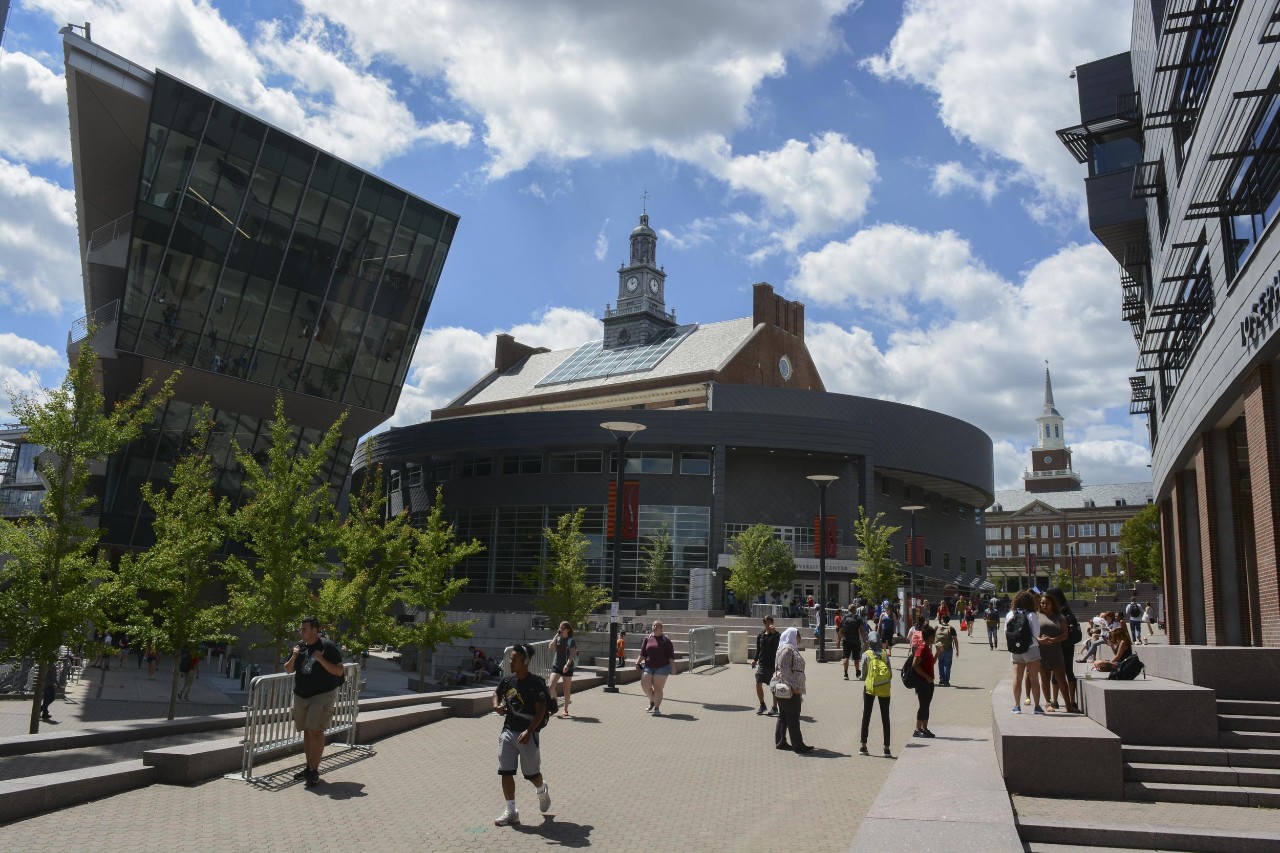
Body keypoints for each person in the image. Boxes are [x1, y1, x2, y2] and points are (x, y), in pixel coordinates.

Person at [492, 643, 552, 827]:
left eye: (514, 659)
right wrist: (496, 705)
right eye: (511, 658)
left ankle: (541, 790)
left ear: (525, 662)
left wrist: (529, 731)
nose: (511, 662)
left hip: (529, 734)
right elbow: (496, 693)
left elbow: (541, 710)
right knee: (506, 772)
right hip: (509, 731)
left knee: (531, 774)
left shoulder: (536, 683)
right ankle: (511, 811)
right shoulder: (508, 680)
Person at [283, 617, 345, 787]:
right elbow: (288, 669)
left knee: (316, 731)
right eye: (300, 629)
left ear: (314, 630)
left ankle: (314, 771)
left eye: (304, 629)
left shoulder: (327, 647)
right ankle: (309, 767)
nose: (300, 632)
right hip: (301, 694)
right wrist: (294, 656)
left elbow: (339, 671)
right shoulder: (298, 646)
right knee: (307, 731)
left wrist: (321, 659)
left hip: (323, 694)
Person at [772, 627, 813, 753]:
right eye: (798, 635)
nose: (800, 638)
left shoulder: (788, 648)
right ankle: (798, 745)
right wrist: (793, 686)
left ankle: (781, 742)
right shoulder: (787, 649)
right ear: (793, 636)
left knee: (784, 715)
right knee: (793, 716)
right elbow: (783, 669)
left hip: (789, 688)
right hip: (789, 689)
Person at [1036, 593, 1074, 714]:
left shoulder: (1059, 616)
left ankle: (1068, 704)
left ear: (1052, 604)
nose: (1044, 605)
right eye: (1042, 603)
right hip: (1041, 651)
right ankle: (1048, 703)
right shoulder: (1036, 616)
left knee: (1061, 678)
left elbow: (1065, 634)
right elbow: (1032, 633)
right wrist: (1039, 639)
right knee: (1044, 678)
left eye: (1047, 603)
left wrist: (1054, 640)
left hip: (1056, 650)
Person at [1007, 590, 1043, 714]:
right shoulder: (1031, 614)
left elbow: (1007, 631)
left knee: (1017, 677)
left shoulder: (1010, 614)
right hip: (1031, 647)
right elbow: (1036, 633)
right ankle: (1037, 707)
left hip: (1016, 649)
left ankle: (1017, 706)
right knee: (1034, 678)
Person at [858, 631, 892, 757]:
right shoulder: (884, 654)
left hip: (869, 688)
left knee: (866, 716)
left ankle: (863, 746)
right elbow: (890, 674)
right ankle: (886, 748)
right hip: (884, 688)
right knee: (885, 717)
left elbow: (862, 676)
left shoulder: (866, 654)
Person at [636, 620, 677, 715]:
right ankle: (652, 701)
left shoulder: (666, 640)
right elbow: (642, 653)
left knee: (658, 688)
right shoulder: (647, 638)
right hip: (648, 666)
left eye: (656, 626)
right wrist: (637, 663)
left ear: (661, 628)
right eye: (653, 625)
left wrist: (673, 667)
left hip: (662, 667)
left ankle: (656, 708)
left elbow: (671, 655)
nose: (654, 627)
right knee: (645, 685)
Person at [750, 615, 781, 715]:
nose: (768, 624)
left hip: (773, 665)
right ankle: (762, 705)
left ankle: (775, 707)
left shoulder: (776, 635)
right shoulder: (761, 635)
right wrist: (755, 660)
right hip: (762, 665)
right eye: (766, 622)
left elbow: (779, 645)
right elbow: (759, 650)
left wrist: (774, 632)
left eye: (769, 622)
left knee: (773, 687)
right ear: (764, 624)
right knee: (758, 683)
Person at [547, 622, 578, 718]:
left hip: (567, 667)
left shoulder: (571, 640)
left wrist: (567, 665)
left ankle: (565, 709)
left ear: (567, 629)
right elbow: (550, 647)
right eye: (560, 627)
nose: (560, 629)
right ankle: (555, 706)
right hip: (556, 666)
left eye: (562, 628)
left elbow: (572, 654)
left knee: (566, 689)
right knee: (551, 686)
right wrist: (556, 635)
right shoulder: (558, 638)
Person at [912, 624, 937, 737]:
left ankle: (924, 728)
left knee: (926, 705)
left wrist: (938, 652)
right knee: (923, 705)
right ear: (930, 637)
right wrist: (926, 677)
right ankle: (917, 730)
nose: (935, 638)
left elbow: (931, 663)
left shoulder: (927, 648)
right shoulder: (921, 648)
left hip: (929, 682)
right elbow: (915, 665)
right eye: (933, 636)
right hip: (922, 683)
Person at [839, 605, 865, 681]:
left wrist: (841, 638)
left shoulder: (844, 617)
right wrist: (864, 640)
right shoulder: (857, 617)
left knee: (845, 657)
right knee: (856, 658)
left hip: (846, 640)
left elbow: (840, 629)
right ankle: (857, 671)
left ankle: (845, 673)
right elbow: (861, 630)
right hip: (855, 640)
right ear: (854, 609)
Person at [935, 615, 959, 686]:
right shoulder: (951, 628)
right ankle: (946, 681)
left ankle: (941, 678)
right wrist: (957, 650)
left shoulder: (937, 627)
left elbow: (933, 637)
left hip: (939, 648)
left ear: (942, 620)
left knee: (940, 662)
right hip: (948, 648)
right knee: (947, 664)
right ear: (948, 621)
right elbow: (955, 639)